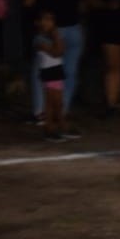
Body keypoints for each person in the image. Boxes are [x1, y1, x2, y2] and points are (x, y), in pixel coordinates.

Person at [25, 0, 87, 127]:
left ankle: (41, 112)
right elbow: (83, 6)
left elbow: (28, 3)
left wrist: (37, 20)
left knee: (42, 72)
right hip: (73, 28)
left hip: (50, 31)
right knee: (69, 73)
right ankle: (62, 111)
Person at [34, 10, 69, 142]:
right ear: (38, 22)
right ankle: (49, 129)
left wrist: (56, 37)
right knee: (50, 102)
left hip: (57, 70)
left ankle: (61, 126)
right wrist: (57, 37)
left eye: (51, 20)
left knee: (58, 103)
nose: (48, 23)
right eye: (45, 19)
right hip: (48, 71)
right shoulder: (39, 39)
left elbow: (62, 50)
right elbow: (57, 52)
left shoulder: (53, 36)